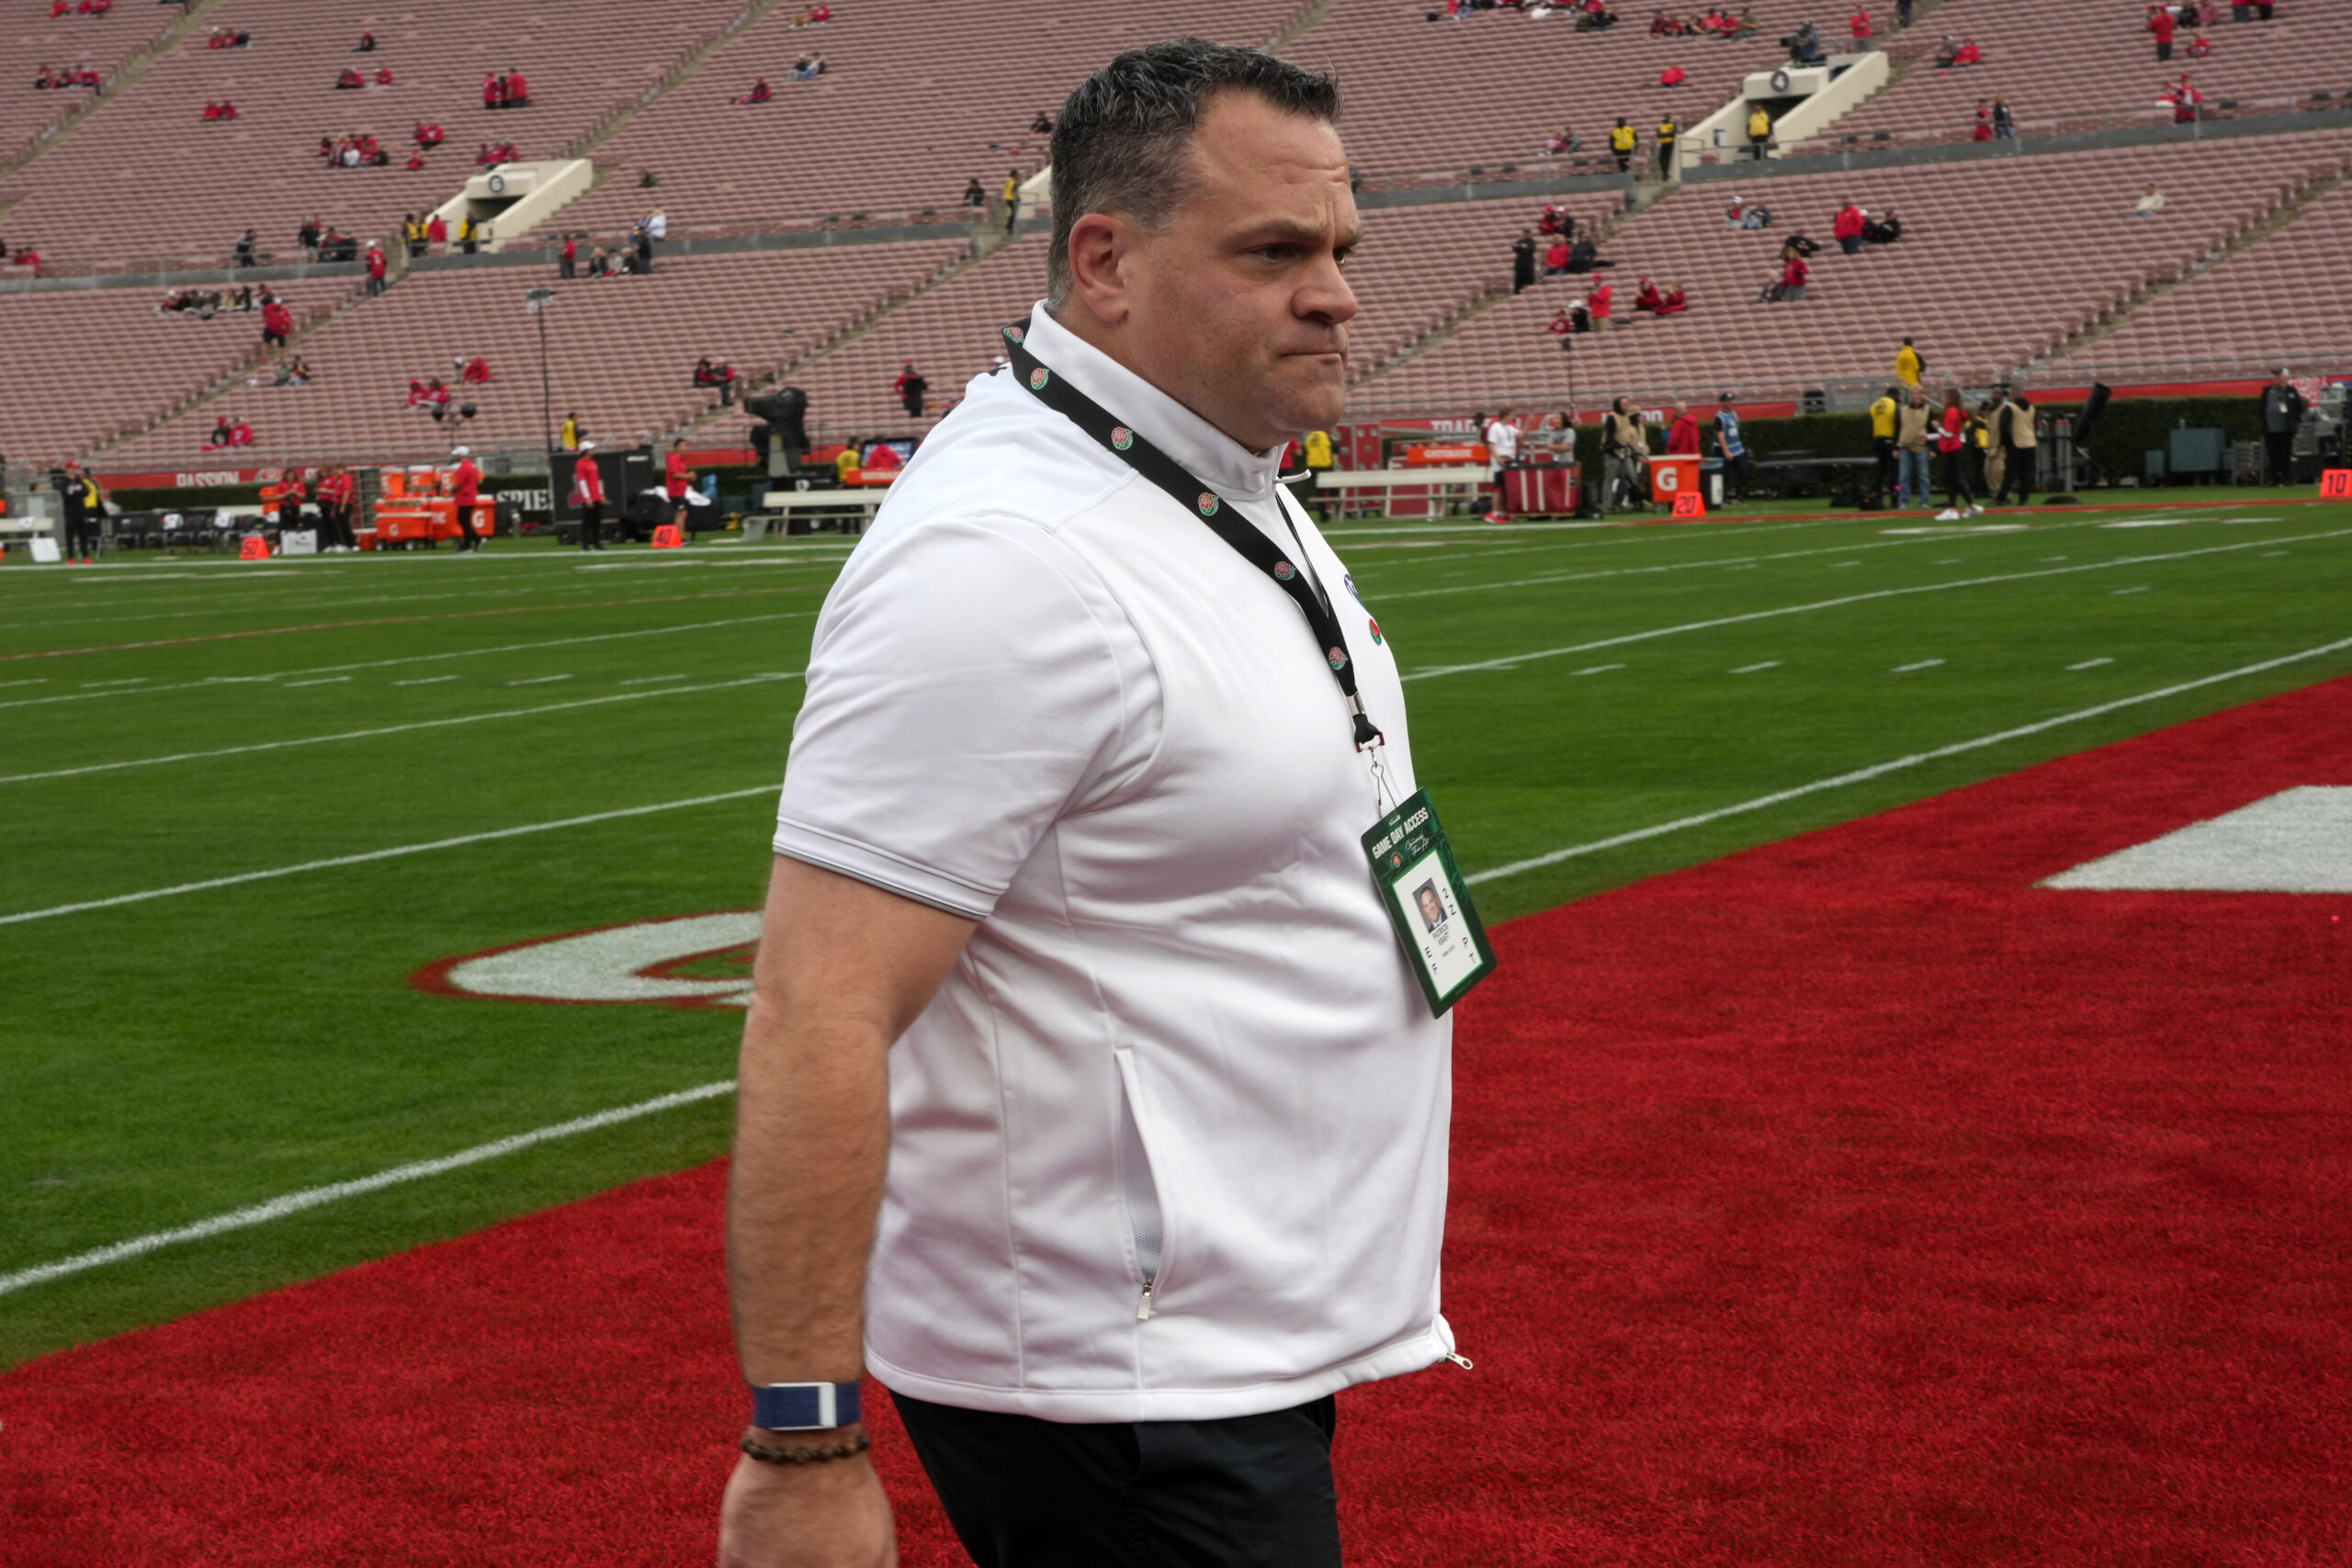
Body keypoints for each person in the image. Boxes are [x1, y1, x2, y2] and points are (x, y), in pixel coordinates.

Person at [718, 42, 1462, 1568]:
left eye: (1339, 249)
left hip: (1222, 1324)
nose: (1334, 291)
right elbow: (817, 1004)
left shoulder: (1206, 461)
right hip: (1113, 1376)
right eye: (1273, 251)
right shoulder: (1008, 559)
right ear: (1104, 261)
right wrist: (803, 1445)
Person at [1934, 388, 1982, 518]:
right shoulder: (1956, 411)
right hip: (1954, 447)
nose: (1942, 399)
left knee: (1954, 479)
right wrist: (1929, 436)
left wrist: (1938, 427)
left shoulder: (1951, 411)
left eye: (1944, 397)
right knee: (1954, 479)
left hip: (1952, 448)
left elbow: (1948, 434)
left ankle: (1956, 508)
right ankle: (1960, 507)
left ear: (1950, 399)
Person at [1989, 387, 2036, 505]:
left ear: (2012, 396)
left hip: (2016, 443)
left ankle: (2001, 498)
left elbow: (2004, 428)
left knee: (2010, 473)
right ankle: (2024, 499)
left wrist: (2005, 444)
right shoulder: (2031, 408)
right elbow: (2035, 425)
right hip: (2030, 442)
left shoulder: (2009, 408)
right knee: (2026, 473)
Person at [1604, 396, 1650, 511]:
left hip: (1626, 453)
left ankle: (1636, 502)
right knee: (1610, 479)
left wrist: (1632, 448)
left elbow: (1629, 438)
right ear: (1617, 405)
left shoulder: (1626, 419)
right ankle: (1608, 505)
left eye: (1627, 404)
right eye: (1623, 404)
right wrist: (1618, 446)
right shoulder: (1612, 417)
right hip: (1614, 453)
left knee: (1632, 478)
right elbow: (1610, 436)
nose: (1626, 406)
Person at [2261, 368, 2306, 483]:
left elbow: (2298, 408)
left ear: (2285, 377)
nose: (2275, 377)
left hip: (2286, 429)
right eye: (2275, 375)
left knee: (2285, 454)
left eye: (2278, 375)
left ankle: (2287, 477)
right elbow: (2261, 407)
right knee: (2272, 455)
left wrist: (2295, 422)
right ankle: (2274, 478)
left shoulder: (2291, 391)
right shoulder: (2268, 391)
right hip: (2271, 430)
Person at [1896, 384, 1932, 507]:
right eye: (1913, 393)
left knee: (1923, 475)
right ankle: (1904, 501)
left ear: (1921, 395)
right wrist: (1896, 447)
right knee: (1904, 476)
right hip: (1905, 445)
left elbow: (1931, 429)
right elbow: (1897, 428)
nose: (1915, 396)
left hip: (1921, 445)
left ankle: (1924, 501)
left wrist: (1933, 448)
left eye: (1917, 393)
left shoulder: (1928, 410)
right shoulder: (1903, 410)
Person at [1483, 405, 1519, 523]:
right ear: (1506, 415)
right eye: (1511, 415)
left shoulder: (1509, 427)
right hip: (1500, 462)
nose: (1514, 417)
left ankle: (1502, 512)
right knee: (1498, 488)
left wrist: (1528, 423)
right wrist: (1498, 458)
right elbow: (1491, 444)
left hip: (1508, 460)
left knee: (1504, 488)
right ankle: (1496, 512)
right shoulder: (1495, 427)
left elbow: (1521, 435)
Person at [58, 460, 98, 564]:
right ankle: (71, 558)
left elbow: (86, 492)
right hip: (70, 513)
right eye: (74, 468)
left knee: (83, 535)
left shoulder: (79, 480)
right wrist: (76, 491)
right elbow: (66, 496)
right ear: (68, 469)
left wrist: (75, 491)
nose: (76, 470)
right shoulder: (64, 482)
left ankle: (85, 556)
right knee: (70, 536)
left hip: (81, 511)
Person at [571, 440, 605, 550]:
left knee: (597, 521)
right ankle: (585, 544)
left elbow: (598, 479)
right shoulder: (580, 463)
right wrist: (587, 497)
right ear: (585, 451)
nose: (592, 450)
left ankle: (596, 543)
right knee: (587, 521)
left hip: (596, 496)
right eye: (590, 449)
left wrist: (601, 493)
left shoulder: (593, 462)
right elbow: (582, 481)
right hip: (588, 498)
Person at [1713, 392, 1748, 499]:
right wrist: (1726, 450)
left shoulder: (1734, 414)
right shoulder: (1719, 417)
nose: (1730, 403)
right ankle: (1723, 497)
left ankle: (1739, 494)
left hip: (1737, 448)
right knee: (1725, 475)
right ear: (1723, 402)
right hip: (1726, 449)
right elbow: (1720, 434)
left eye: (1731, 400)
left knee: (1743, 472)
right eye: (1728, 400)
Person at [449, 446, 484, 550]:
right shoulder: (468, 466)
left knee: (464, 521)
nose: (455, 457)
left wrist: (450, 490)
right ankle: (475, 539)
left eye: (457, 455)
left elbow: (459, 484)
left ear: (461, 456)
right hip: (467, 498)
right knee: (464, 521)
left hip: (465, 499)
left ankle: (469, 543)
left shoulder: (464, 467)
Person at [1869, 383, 1899, 499]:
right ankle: (1894, 494)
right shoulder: (1894, 405)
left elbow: (1870, 424)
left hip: (1878, 440)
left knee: (1880, 470)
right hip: (1890, 440)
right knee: (1894, 471)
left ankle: (1877, 495)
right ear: (1895, 395)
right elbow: (1898, 423)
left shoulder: (1874, 405)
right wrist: (1897, 444)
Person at [663, 437, 690, 526]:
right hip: (675, 492)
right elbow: (675, 474)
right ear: (677, 447)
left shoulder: (680, 460)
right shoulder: (674, 459)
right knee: (681, 514)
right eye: (684, 445)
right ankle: (680, 538)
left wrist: (688, 478)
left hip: (680, 492)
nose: (686, 448)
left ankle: (680, 537)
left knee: (682, 513)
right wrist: (688, 476)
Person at [1511, 228, 1536, 293]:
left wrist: (1520, 247)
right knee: (1518, 284)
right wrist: (1522, 247)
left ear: (1530, 233)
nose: (1527, 234)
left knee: (1529, 284)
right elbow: (1514, 247)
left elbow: (1530, 250)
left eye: (1528, 232)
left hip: (1528, 265)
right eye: (1525, 232)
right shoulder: (1520, 241)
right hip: (1519, 265)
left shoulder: (1532, 242)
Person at [1656, 113, 1679, 178]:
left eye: (1669, 116)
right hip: (1662, 144)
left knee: (1667, 159)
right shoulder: (1661, 125)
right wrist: (1666, 134)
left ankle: (1666, 173)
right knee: (1661, 159)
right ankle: (1664, 172)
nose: (1667, 118)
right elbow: (1658, 134)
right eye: (1666, 116)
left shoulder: (1672, 124)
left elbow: (1673, 133)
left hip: (1669, 143)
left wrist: (1663, 135)